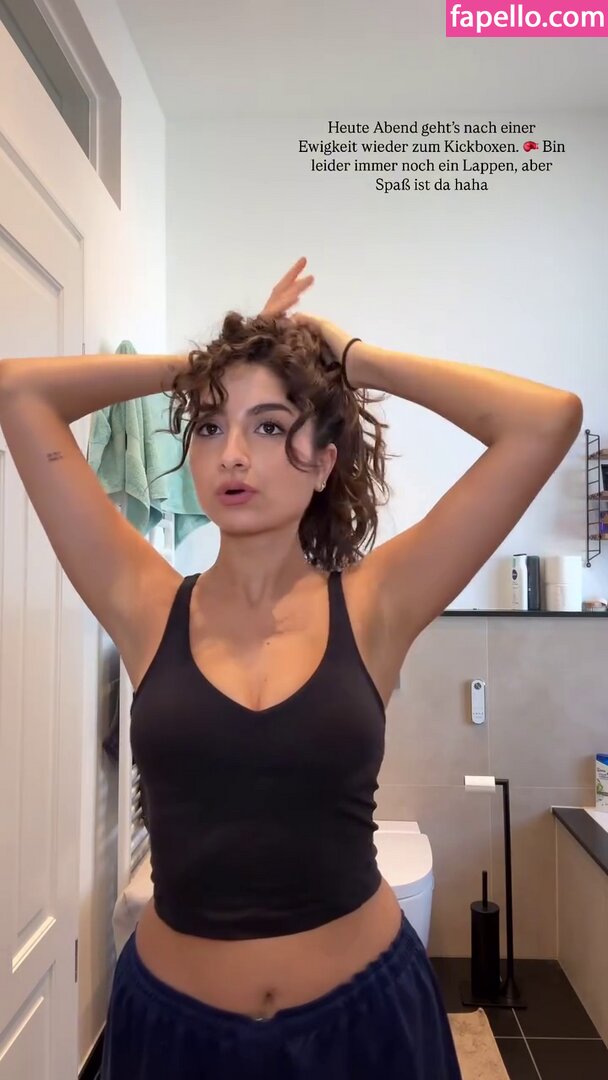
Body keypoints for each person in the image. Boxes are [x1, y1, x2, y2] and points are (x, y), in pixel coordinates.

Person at [0, 257, 582, 1080]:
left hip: (367, 1028)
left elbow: (546, 420)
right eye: (210, 426)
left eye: (270, 427)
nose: (232, 453)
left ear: (324, 461)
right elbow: (19, 392)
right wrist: (210, 363)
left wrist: (354, 359)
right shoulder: (144, 603)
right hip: (172, 1038)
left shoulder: (377, 605)